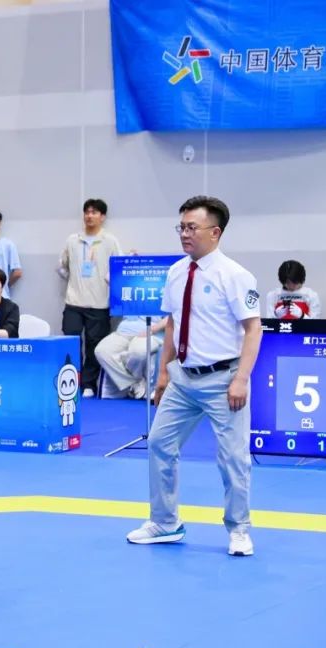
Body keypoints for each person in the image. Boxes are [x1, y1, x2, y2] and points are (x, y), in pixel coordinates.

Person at [126, 196, 262, 557]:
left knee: (233, 458)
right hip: (183, 379)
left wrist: (241, 379)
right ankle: (165, 522)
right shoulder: (176, 272)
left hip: (224, 379)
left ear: (215, 232)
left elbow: (254, 329)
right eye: (181, 227)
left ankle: (239, 529)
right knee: (159, 444)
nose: (184, 234)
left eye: (192, 228)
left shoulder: (235, 276)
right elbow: (173, 324)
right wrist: (162, 375)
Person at [58, 198, 123, 398]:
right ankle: (72, 380)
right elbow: (62, 267)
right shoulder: (73, 240)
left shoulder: (110, 241)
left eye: (94, 212)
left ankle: (88, 384)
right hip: (74, 302)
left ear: (102, 217)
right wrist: (74, 279)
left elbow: (118, 268)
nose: (89, 216)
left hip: (99, 303)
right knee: (71, 340)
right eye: (87, 212)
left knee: (94, 345)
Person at [95, 315, 165, 399]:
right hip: (123, 331)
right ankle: (133, 383)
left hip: (152, 332)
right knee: (101, 350)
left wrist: (152, 329)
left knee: (138, 352)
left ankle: (137, 382)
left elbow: (171, 318)